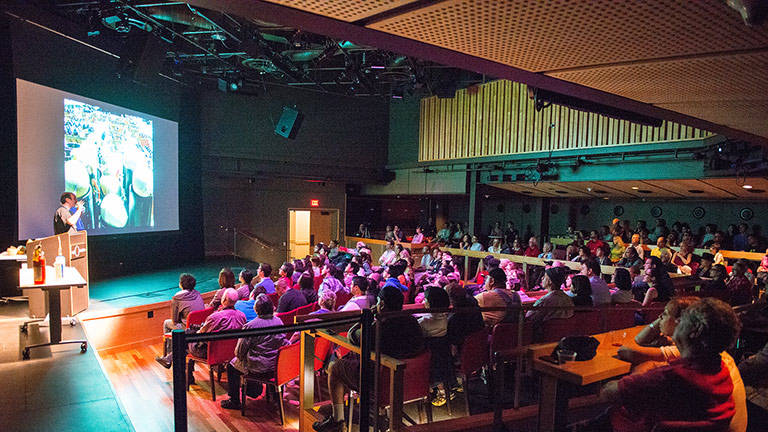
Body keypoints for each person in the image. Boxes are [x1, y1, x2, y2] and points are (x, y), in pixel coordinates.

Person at [584, 298, 744, 432]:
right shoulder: (721, 370)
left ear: (695, 330)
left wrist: (641, 372)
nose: (679, 322)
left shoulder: (670, 377)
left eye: (683, 320)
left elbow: (607, 393)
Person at [312, 286, 425, 432]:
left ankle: (337, 420)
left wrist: (367, 317)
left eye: (378, 301)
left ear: (382, 304)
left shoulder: (380, 328)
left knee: (336, 367)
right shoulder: (413, 323)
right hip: (413, 382)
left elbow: (352, 335)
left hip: (379, 382)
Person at [220, 294, 289, 410]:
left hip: (258, 367)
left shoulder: (251, 326)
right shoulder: (279, 321)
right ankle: (275, 396)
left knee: (231, 366)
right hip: (277, 365)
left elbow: (239, 352)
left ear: (256, 309)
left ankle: (235, 400)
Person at [156, 288, 247, 373]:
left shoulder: (215, 317)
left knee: (186, 339)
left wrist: (196, 331)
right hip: (231, 351)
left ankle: (182, 373)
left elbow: (201, 334)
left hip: (211, 352)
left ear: (223, 300)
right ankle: (171, 361)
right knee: (188, 338)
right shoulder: (242, 316)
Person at [162, 273, 206, 354]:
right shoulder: (198, 293)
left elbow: (174, 321)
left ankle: (169, 353)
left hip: (188, 328)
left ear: (181, 284)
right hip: (199, 327)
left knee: (166, 323)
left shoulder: (177, 298)